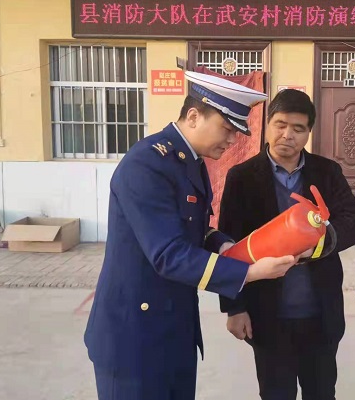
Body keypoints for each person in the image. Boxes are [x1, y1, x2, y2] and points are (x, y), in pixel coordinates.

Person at [84, 71, 299, 400]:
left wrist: (225, 245)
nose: (232, 140)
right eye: (227, 129)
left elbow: (193, 228)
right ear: (195, 116)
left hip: (175, 330)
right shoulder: (147, 164)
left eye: (237, 132)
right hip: (133, 338)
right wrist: (250, 272)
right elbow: (168, 254)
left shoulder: (190, 162)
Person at [218, 89, 355, 400]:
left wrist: (318, 244)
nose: (287, 135)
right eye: (280, 125)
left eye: (298, 128)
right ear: (268, 124)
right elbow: (229, 244)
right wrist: (234, 308)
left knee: (321, 392)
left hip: (319, 313)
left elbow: (353, 221)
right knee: (275, 394)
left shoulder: (327, 172)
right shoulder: (242, 177)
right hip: (267, 313)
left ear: (308, 132)